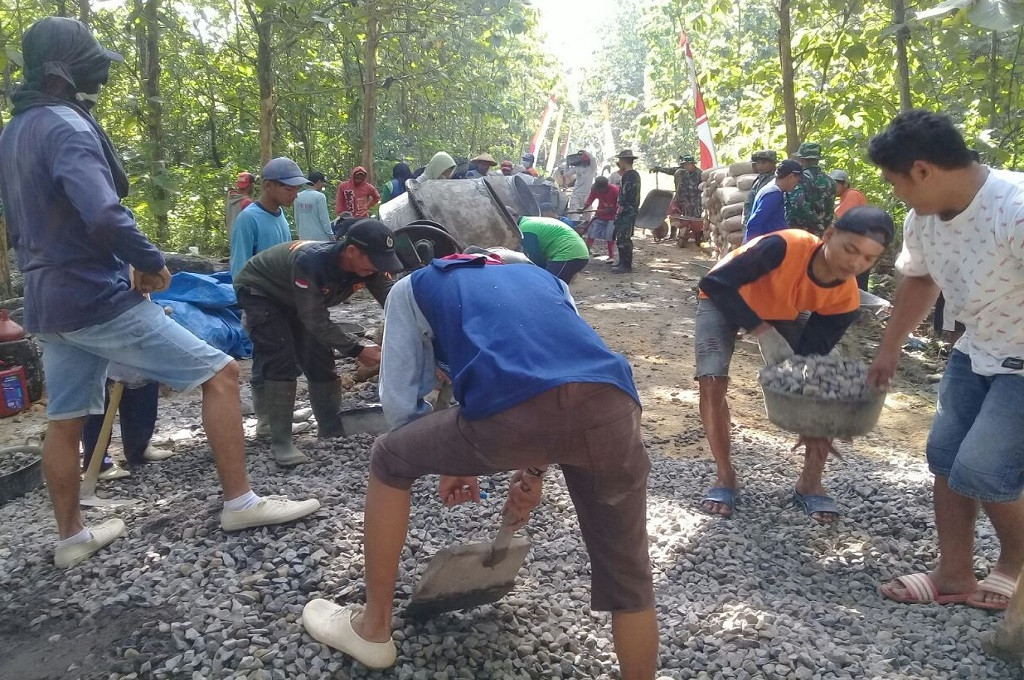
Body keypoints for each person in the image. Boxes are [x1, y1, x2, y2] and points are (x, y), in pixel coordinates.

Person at [0, 16, 320, 568]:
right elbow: (101, 212)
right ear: (63, 71)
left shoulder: (15, 129)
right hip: (91, 294)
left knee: (65, 415)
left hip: (45, 298)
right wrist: (151, 263)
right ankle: (240, 500)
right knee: (219, 373)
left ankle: (71, 537)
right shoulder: (66, 127)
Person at [301, 251, 657, 679]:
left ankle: (372, 628)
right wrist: (533, 471)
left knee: (388, 458)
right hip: (613, 406)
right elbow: (561, 382)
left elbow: (398, 408)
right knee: (628, 575)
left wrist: (452, 455)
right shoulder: (543, 278)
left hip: (510, 409)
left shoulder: (413, 287)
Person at [866, 110, 1024, 611]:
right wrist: (889, 348)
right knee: (946, 457)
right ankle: (954, 572)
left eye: (895, 182)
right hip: (973, 349)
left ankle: (1015, 567)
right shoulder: (924, 221)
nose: (897, 195)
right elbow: (919, 279)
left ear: (922, 170)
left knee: (986, 469)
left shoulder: (1015, 208)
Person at [695, 208, 892, 523]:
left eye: (868, 259)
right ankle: (725, 476)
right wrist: (761, 331)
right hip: (723, 297)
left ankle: (810, 483)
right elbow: (716, 282)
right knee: (712, 377)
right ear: (828, 235)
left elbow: (808, 360)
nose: (855, 263)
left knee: (821, 387)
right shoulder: (784, 247)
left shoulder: (845, 301)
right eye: (850, 249)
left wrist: (814, 420)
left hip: (784, 310)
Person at [234, 219, 402, 466]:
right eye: (375, 260)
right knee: (280, 356)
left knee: (321, 356)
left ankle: (330, 426)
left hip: (298, 299)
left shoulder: (370, 268)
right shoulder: (312, 262)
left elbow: (393, 301)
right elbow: (314, 318)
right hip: (261, 292)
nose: (378, 267)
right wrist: (356, 349)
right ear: (352, 251)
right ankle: (279, 438)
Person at [229, 157, 308, 277]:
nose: (295, 195)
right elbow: (239, 269)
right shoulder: (248, 218)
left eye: (297, 189)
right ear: (268, 186)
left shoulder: (280, 215)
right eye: (289, 189)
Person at [518, 207, 590, 285]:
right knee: (557, 287)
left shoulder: (525, 228)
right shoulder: (531, 221)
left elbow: (535, 257)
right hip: (575, 252)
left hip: (568, 255)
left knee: (549, 285)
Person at [743, 159, 803, 243]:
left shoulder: (773, 189)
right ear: (791, 176)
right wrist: (751, 249)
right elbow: (754, 223)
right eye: (798, 179)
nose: (797, 183)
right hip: (766, 247)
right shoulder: (773, 194)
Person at [830, 170, 871, 289]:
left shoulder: (851, 195)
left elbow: (840, 218)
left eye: (835, 184)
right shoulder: (844, 197)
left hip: (860, 244)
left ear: (844, 184)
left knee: (857, 283)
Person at [785, 142, 837, 235]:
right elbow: (830, 212)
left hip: (799, 232)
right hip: (820, 233)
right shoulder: (831, 181)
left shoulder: (798, 178)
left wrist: (813, 220)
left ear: (802, 160)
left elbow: (798, 203)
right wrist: (821, 227)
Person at [654, 155, 703, 246]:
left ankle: (698, 236)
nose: (685, 167)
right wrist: (677, 199)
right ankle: (683, 234)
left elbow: (704, 188)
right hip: (687, 202)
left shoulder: (700, 174)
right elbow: (681, 188)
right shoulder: (685, 174)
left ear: (692, 164)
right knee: (685, 218)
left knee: (697, 220)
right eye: (684, 165)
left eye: (686, 165)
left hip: (697, 202)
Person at [612, 150, 641, 273]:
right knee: (622, 237)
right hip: (630, 209)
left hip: (627, 210)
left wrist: (621, 205)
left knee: (623, 237)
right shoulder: (634, 175)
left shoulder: (629, 175)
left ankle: (625, 265)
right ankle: (622, 262)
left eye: (620, 160)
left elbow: (625, 192)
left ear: (624, 161)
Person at [583, 175, 620, 260]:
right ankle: (585, 253)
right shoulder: (595, 189)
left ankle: (611, 256)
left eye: (601, 189)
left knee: (610, 236)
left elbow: (620, 204)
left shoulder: (615, 190)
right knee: (591, 233)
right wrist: (583, 208)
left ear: (606, 187)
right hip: (599, 215)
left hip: (612, 217)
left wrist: (611, 209)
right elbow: (590, 199)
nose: (599, 191)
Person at [294, 171, 333, 241]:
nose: (323, 185)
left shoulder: (298, 196)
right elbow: (324, 219)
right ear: (318, 181)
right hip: (320, 239)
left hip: (303, 238)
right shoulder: (320, 197)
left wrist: (299, 234)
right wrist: (331, 235)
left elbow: (297, 218)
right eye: (322, 182)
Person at [743, 150, 778, 225]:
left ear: (773, 163)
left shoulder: (774, 180)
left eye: (763, 163)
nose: (760, 166)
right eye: (758, 163)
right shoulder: (760, 178)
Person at [225, 171, 255, 240]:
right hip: (243, 241)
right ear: (251, 186)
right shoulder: (247, 203)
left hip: (232, 240)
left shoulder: (230, 198)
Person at [567, 149, 597, 214]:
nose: (584, 162)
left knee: (586, 215)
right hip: (576, 193)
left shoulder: (592, 168)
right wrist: (567, 162)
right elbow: (566, 173)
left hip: (587, 194)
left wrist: (586, 152)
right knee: (573, 214)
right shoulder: (577, 168)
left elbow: (593, 159)